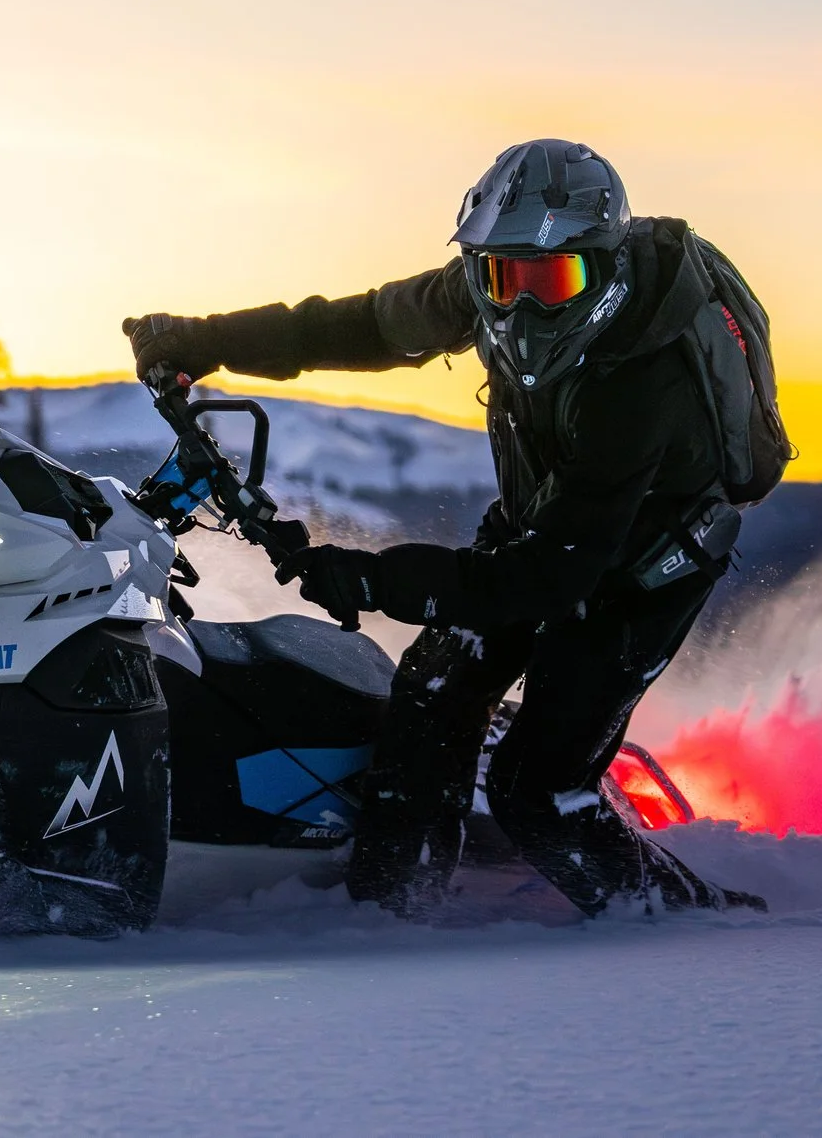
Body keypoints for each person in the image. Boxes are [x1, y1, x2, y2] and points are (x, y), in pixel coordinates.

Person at [124, 139, 780, 917]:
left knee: (537, 788)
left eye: (553, 280)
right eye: (503, 276)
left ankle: (697, 925)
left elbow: (551, 578)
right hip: (543, 520)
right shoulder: (479, 293)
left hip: (645, 568)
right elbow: (362, 326)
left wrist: (373, 578)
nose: (524, 304)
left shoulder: (644, 382)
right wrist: (204, 340)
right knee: (430, 697)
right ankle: (393, 916)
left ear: (602, 269)